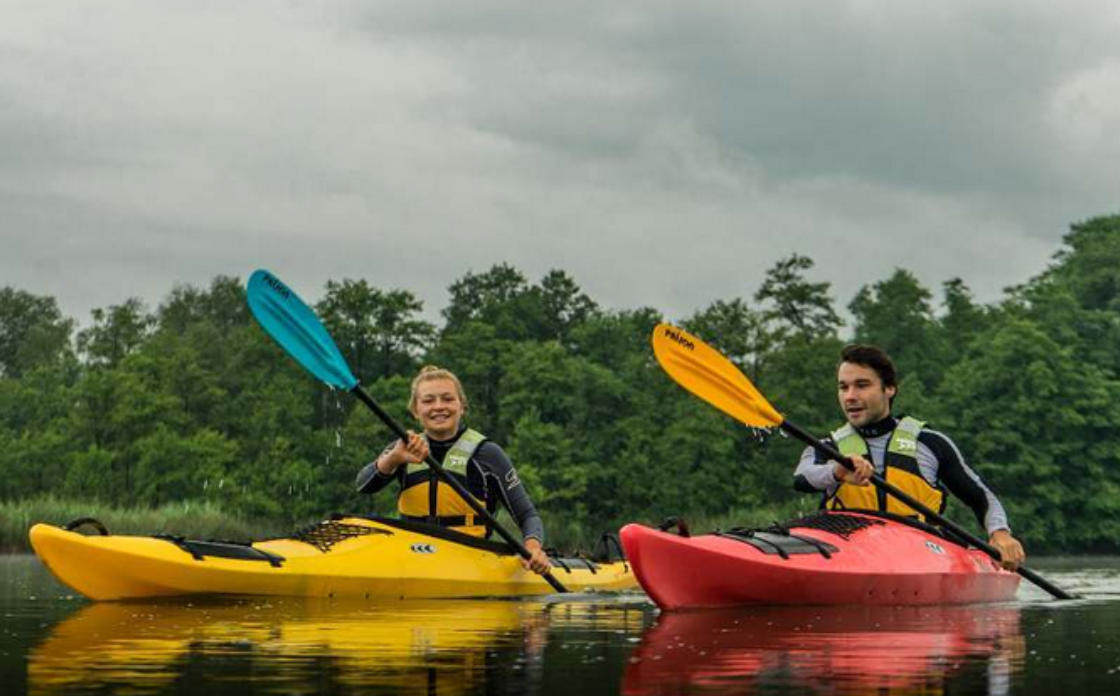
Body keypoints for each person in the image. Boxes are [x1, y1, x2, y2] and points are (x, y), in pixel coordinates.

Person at [793, 344, 1026, 570]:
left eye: (862, 385)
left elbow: (980, 496)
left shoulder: (931, 443)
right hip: (847, 547)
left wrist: (1000, 534)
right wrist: (838, 472)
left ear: (890, 388)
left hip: (921, 551)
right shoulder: (826, 448)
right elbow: (802, 479)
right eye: (843, 387)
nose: (850, 396)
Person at [355, 365, 551, 574]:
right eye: (428, 401)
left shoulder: (488, 453)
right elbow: (363, 486)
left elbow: (527, 515)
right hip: (411, 554)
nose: (439, 407)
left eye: (448, 399)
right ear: (415, 411)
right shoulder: (403, 447)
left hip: (471, 558)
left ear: (462, 406)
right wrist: (393, 458)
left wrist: (532, 548)